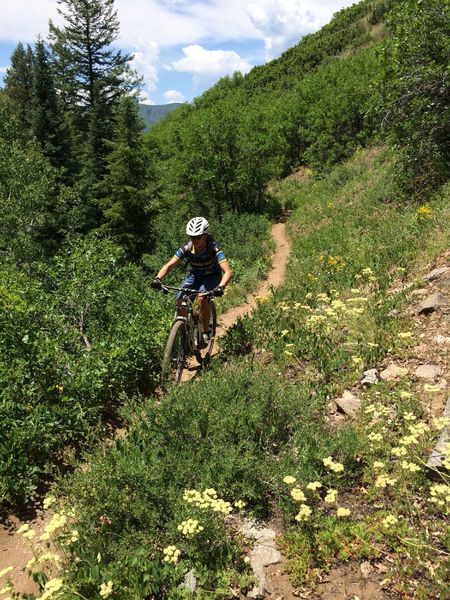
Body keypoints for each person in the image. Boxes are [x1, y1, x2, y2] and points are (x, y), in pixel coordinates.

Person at [151, 217, 232, 346]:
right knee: (180, 302)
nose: (194, 240)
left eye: (198, 237)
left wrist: (221, 287)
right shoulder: (187, 248)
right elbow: (170, 265)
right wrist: (158, 278)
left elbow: (227, 271)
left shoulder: (213, 248)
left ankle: (205, 333)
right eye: (191, 237)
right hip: (195, 275)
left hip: (212, 276)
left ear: (205, 236)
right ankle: (185, 334)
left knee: (202, 298)